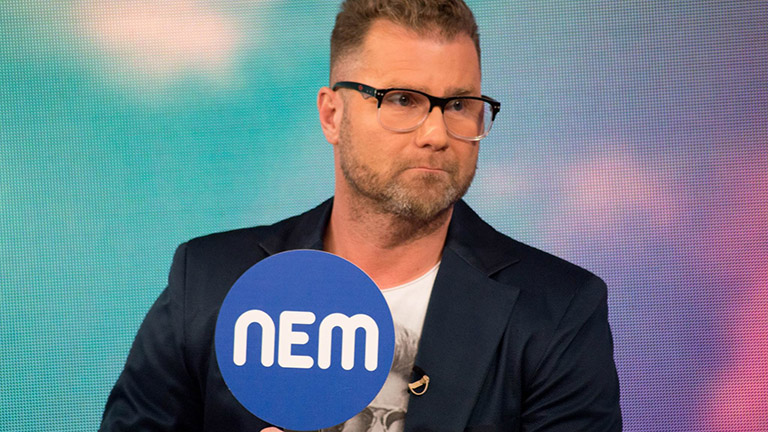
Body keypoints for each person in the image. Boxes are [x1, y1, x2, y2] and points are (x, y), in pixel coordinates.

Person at [101, 0, 622, 431]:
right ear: (332, 115)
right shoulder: (210, 280)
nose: (437, 134)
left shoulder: (559, 310)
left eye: (460, 105)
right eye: (402, 99)